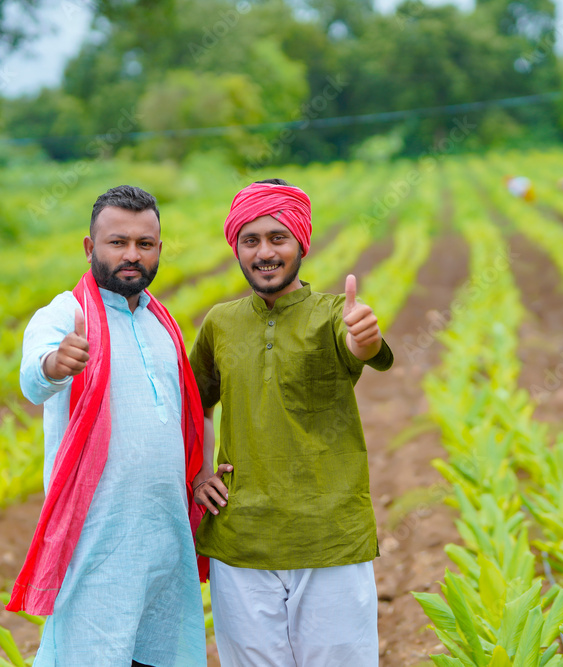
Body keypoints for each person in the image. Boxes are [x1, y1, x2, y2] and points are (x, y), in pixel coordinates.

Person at [189, 179, 394, 666]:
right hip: (241, 541)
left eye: (277, 238)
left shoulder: (330, 316)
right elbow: (196, 404)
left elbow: (358, 346)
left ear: (301, 242)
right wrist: (198, 471)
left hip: (330, 538)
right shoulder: (220, 323)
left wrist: (363, 340)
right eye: (251, 240)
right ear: (236, 246)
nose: (264, 252)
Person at [8, 185, 208, 667]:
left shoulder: (164, 324)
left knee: (160, 654)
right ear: (89, 247)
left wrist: (199, 475)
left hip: (165, 536)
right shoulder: (66, 312)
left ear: (159, 248)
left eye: (145, 244)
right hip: (98, 537)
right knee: (92, 652)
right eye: (117, 242)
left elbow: (188, 416)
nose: (131, 255)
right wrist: (56, 363)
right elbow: (34, 377)